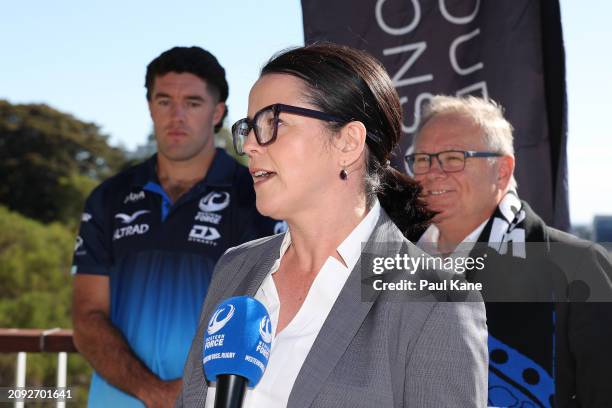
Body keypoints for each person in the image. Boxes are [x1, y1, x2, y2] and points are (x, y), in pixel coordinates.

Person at [177, 43, 488, 407]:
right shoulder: (235, 268)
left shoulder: (434, 302)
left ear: (348, 141)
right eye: (248, 127)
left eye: (272, 122)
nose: (248, 145)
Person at [71, 46, 281, 408]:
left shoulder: (257, 197)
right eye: (164, 100)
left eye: (193, 103)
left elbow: (273, 317)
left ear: (218, 113)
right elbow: (87, 318)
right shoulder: (108, 198)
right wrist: (154, 392)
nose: (177, 115)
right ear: (150, 106)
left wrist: (191, 394)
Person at [410, 95, 612, 407]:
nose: (431, 173)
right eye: (422, 159)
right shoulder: (392, 264)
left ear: (502, 171)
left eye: (453, 158)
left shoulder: (578, 268)